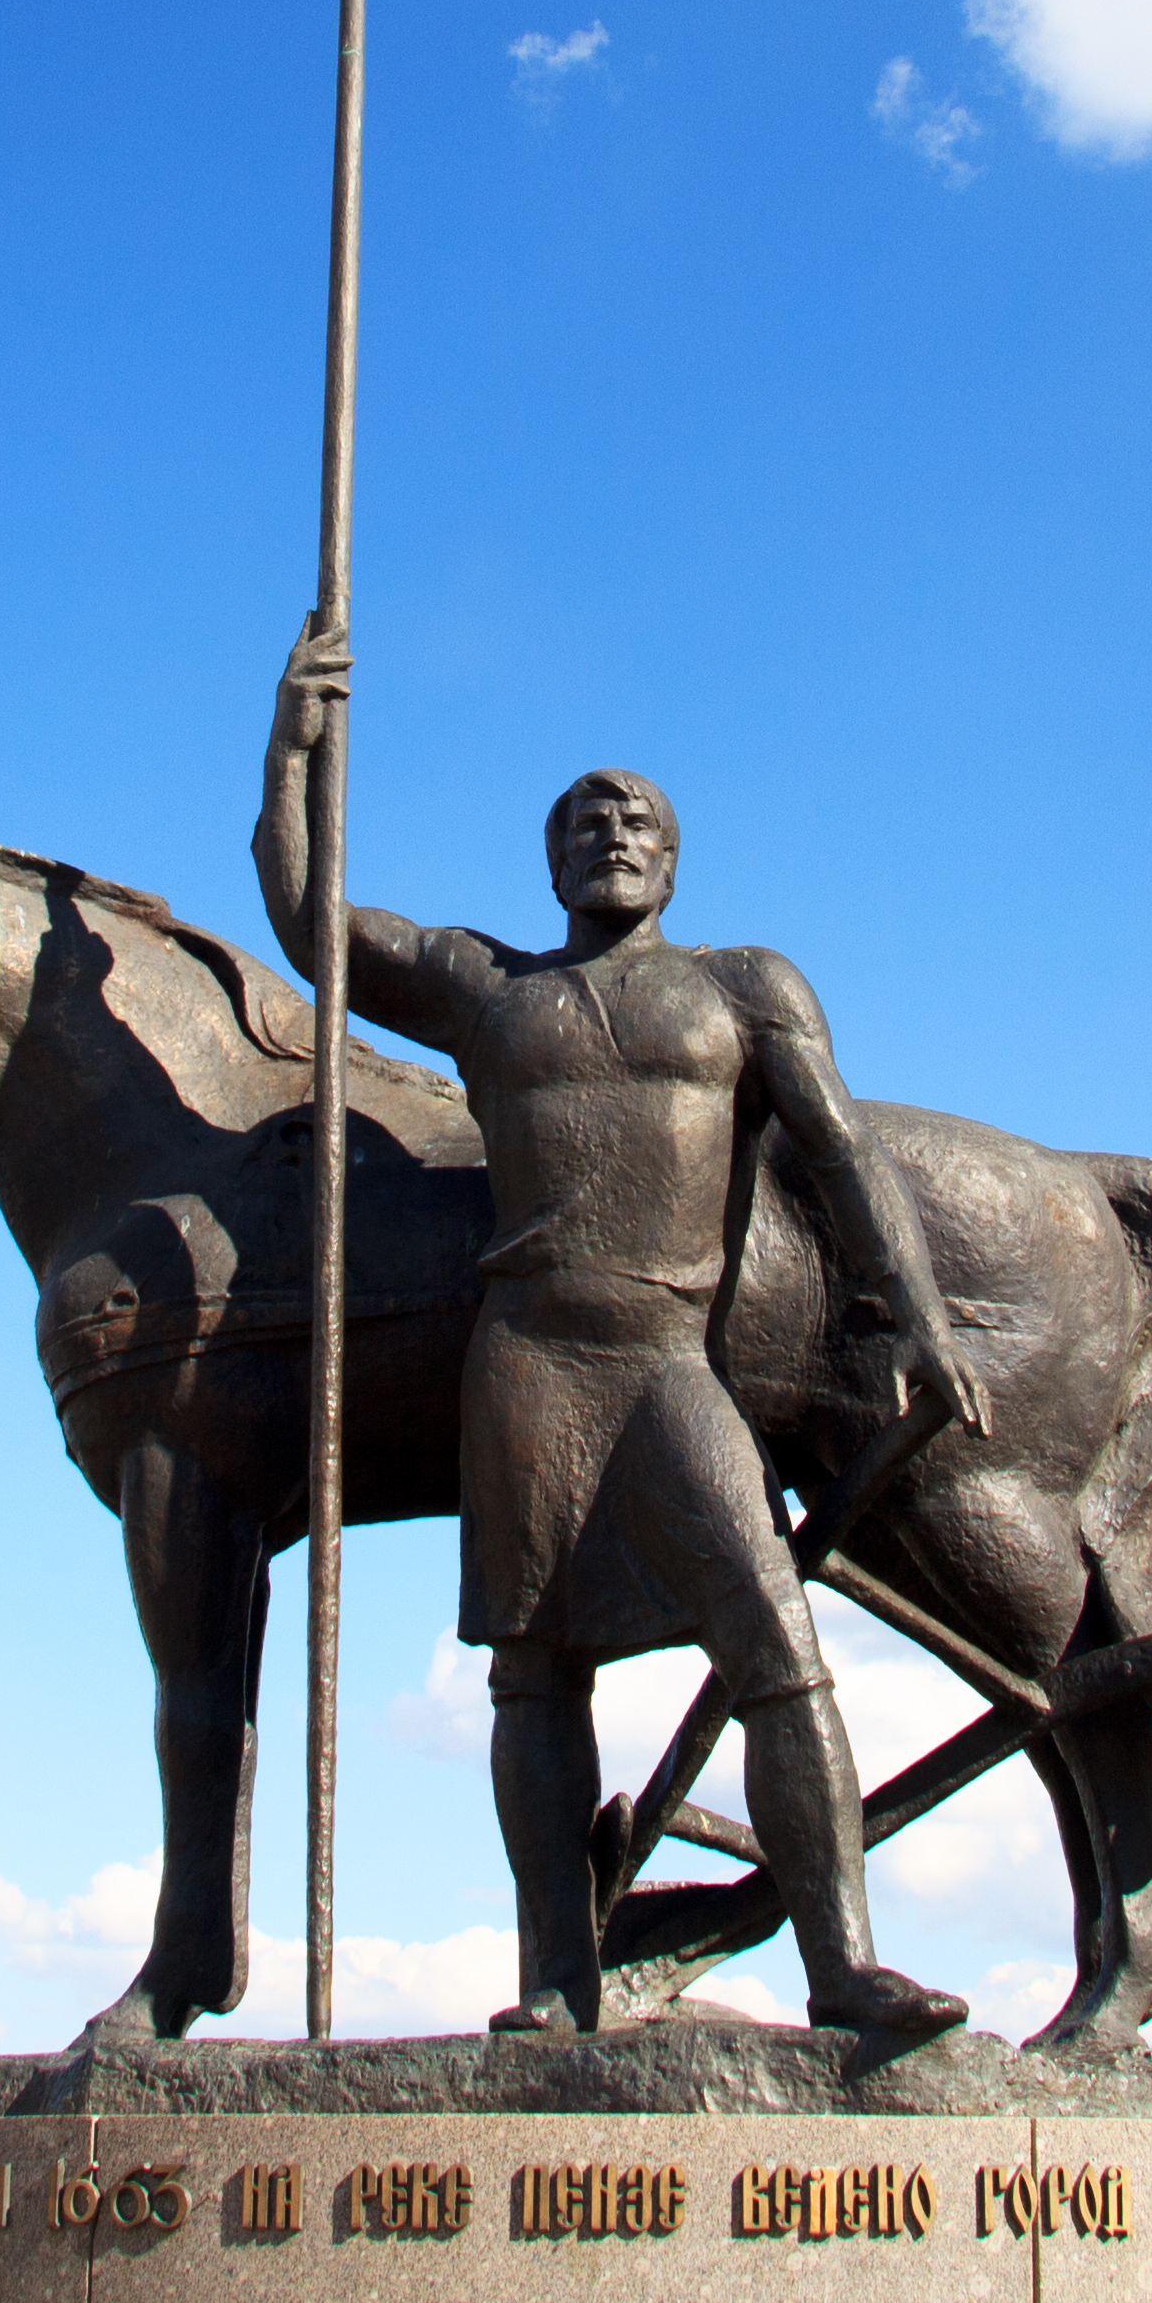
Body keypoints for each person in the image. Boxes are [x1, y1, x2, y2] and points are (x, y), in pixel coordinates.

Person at [257, 614, 979, 2036]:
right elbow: (309, 917)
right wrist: (291, 748)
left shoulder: (745, 990)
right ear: (551, 862)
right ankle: (556, 1981)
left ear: (674, 856)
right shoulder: (491, 989)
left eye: (637, 814)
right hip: (528, 1360)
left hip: (665, 1361)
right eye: (584, 818)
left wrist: (920, 1313)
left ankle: (843, 1967)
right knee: (532, 1676)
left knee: (777, 1639)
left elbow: (844, 1159)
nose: (611, 827)